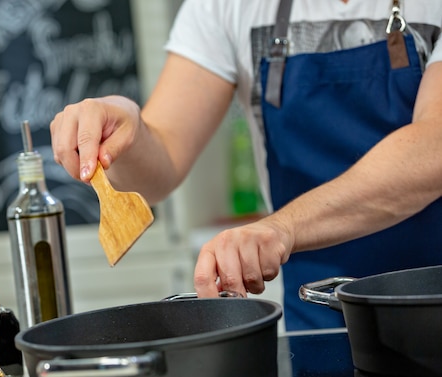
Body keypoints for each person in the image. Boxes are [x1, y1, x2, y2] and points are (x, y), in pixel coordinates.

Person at [50, 0, 442, 331]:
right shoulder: (227, 6)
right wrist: (126, 127)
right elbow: (161, 161)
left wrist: (281, 228)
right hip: (316, 315)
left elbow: (433, 148)